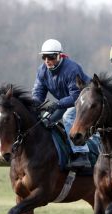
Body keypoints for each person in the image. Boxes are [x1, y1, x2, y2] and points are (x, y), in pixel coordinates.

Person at [32, 39, 92, 169]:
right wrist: (33, 105)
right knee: (44, 121)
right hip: (65, 103)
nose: (47, 60)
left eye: (51, 57)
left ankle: (82, 154)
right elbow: (38, 93)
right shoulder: (42, 71)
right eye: (44, 57)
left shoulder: (72, 69)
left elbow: (76, 96)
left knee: (68, 117)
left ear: (60, 55)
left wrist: (57, 104)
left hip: (85, 100)